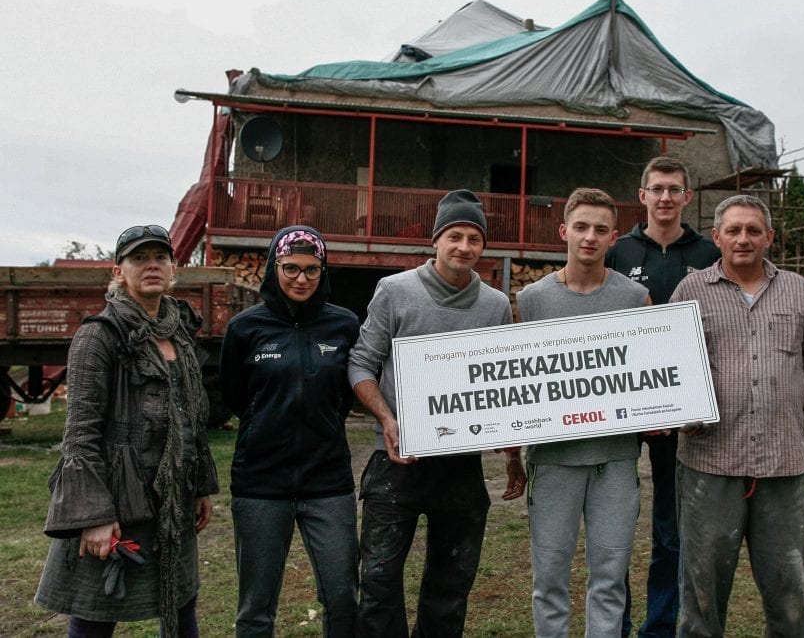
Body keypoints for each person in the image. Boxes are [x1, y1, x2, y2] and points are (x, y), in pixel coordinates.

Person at [668, 195, 804, 637]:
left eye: (753, 230)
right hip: (710, 464)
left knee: (788, 590)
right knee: (701, 593)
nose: (743, 239)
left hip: (784, 467)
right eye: (733, 230)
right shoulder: (690, 291)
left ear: (769, 237)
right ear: (716, 237)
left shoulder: (798, 291)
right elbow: (668, 367)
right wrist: (678, 410)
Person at [348, 189, 526, 637]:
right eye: (454, 236)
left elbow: (501, 381)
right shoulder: (395, 291)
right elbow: (361, 363)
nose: (464, 246)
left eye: (474, 239)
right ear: (436, 240)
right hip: (397, 460)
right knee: (379, 582)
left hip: (460, 465)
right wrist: (387, 419)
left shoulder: (495, 305)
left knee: (451, 585)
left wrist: (511, 453)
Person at [35, 224, 219, 637]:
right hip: (119, 501)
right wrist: (94, 516)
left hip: (173, 501)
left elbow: (190, 418)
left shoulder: (180, 335)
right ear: (118, 271)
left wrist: (200, 486)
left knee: (181, 605)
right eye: (139, 258)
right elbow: (79, 437)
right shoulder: (98, 337)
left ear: (173, 269)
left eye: (160, 258)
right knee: (96, 612)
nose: (151, 265)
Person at [517, 187, 651, 637]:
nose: (589, 237)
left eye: (600, 229)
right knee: (549, 580)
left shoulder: (636, 297)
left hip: (615, 459)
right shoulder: (532, 299)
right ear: (564, 232)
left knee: (610, 580)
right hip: (553, 460)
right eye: (581, 227)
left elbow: (655, 369)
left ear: (614, 237)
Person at [219, 225, 361, 636]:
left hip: (327, 481)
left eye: (312, 270)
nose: (302, 278)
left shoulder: (344, 325)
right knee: (256, 606)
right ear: (273, 267)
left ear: (323, 271)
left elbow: (346, 394)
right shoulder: (244, 328)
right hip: (261, 482)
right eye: (291, 268)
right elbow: (235, 395)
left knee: (342, 596)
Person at [605, 155, 718, 637]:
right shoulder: (618, 252)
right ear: (643, 195)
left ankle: (660, 626)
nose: (666, 197)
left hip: (683, 408)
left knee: (672, 529)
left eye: (674, 189)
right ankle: (615, 624)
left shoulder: (709, 252)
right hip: (624, 403)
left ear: (687, 197)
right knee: (614, 525)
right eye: (658, 189)